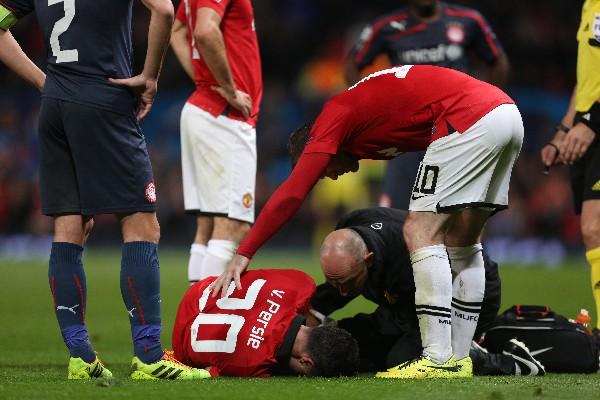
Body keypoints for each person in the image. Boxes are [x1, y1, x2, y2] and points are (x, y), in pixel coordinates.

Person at [212, 64, 524, 379]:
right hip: (504, 115)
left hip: (469, 118)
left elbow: (291, 195)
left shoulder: (330, 119)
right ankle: (459, 358)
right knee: (463, 243)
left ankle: (437, 358)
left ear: (316, 145)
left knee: (419, 230)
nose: (330, 176)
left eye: (323, 170)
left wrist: (244, 253)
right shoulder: (360, 125)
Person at [0, 0, 209, 380]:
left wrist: (44, 82)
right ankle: (148, 358)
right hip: (104, 100)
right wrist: (150, 77)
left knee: (70, 228)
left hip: (55, 106)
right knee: (141, 224)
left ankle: (81, 357)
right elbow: (163, 10)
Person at [309, 207, 544, 377]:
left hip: (466, 297)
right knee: (356, 339)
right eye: (334, 282)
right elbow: (344, 282)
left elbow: (406, 320)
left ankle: (500, 360)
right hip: (414, 303)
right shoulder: (350, 231)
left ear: (369, 260)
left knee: (400, 359)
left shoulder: (404, 259)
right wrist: (315, 310)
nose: (341, 292)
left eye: (347, 283)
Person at [345, 0, 509, 210]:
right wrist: (373, 106)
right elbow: (352, 65)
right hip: (406, 134)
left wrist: (484, 108)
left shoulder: (468, 20)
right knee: (396, 212)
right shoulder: (387, 26)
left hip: (454, 132)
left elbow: (499, 61)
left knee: (457, 212)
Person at [170, 0, 262, 284]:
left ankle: (195, 317)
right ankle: (208, 319)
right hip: (224, 117)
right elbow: (206, 31)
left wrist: (204, 80)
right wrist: (230, 89)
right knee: (233, 225)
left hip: (206, 110)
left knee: (208, 225)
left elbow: (177, 32)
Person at [172, 269, 360, 377]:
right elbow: (211, 371)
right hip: (181, 345)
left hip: (200, 291)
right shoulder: (256, 367)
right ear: (306, 362)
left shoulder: (302, 283)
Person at [540, 0, 600, 337]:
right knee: (593, 230)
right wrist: (564, 130)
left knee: (596, 227)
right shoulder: (590, 6)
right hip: (589, 129)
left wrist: (591, 122)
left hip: (595, 126)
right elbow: (586, 81)